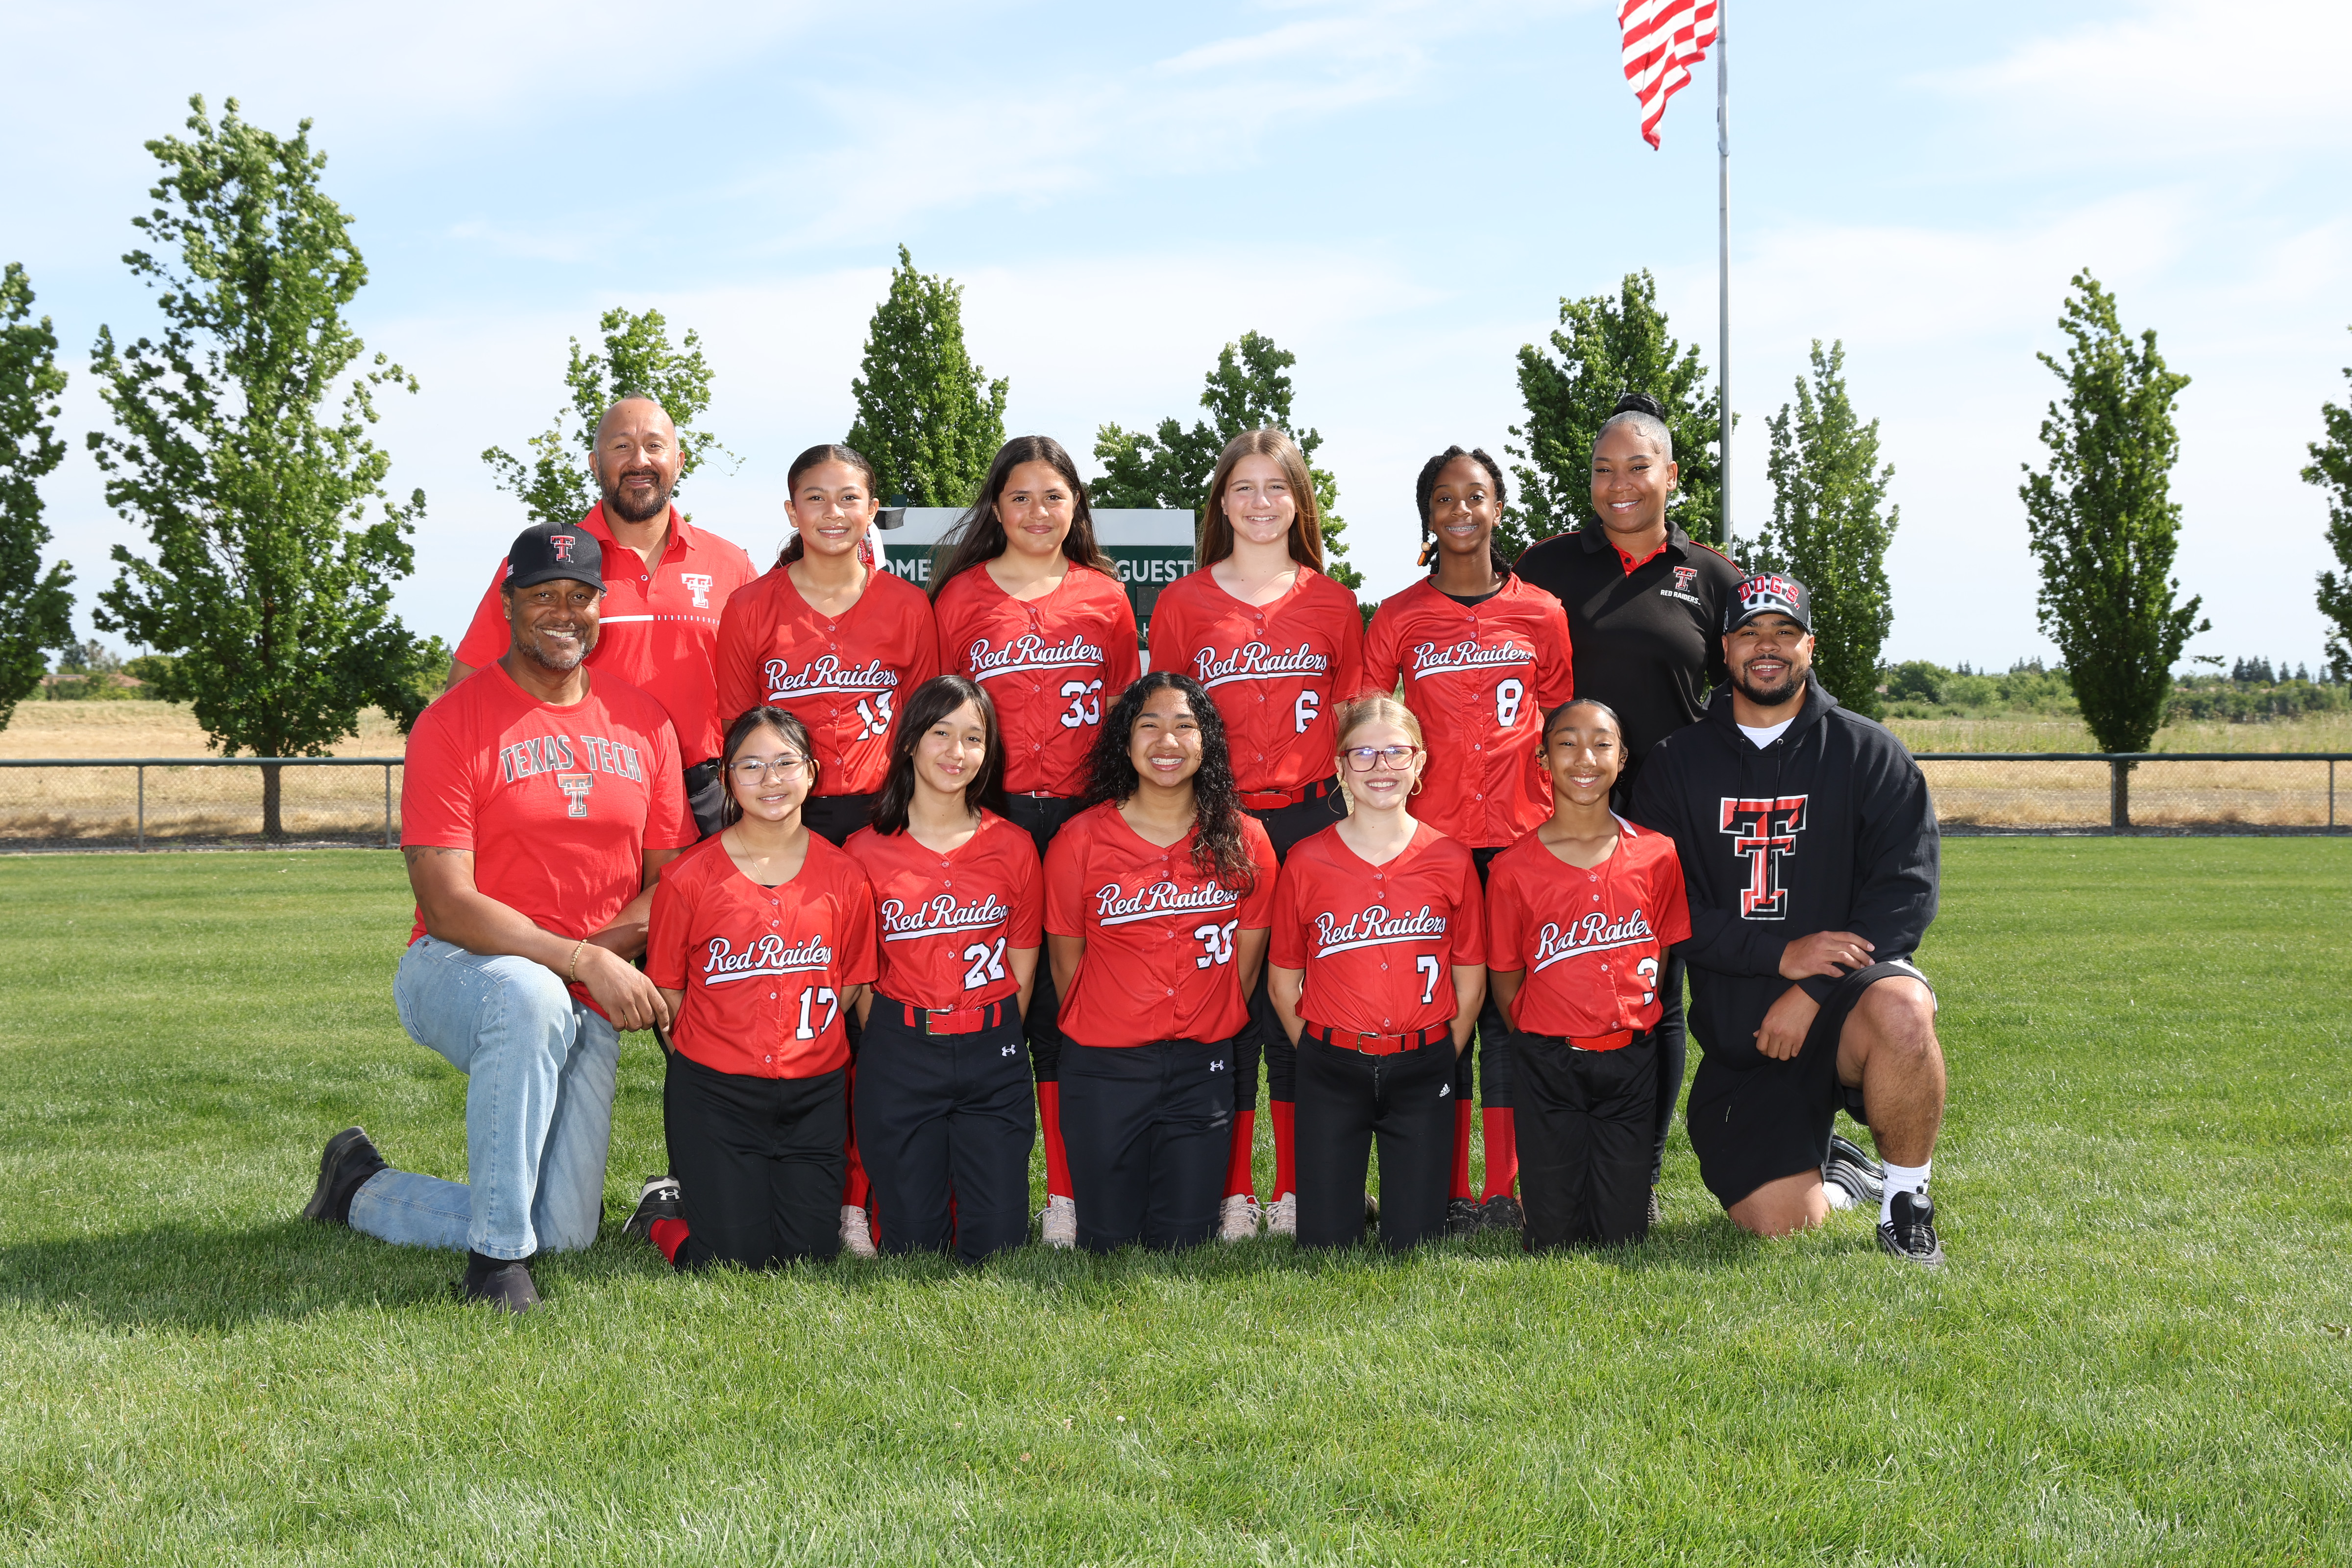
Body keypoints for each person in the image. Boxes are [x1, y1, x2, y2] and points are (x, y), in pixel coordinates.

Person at [303, 520, 695, 1312]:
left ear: (600, 608)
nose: (564, 612)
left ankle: (359, 1189)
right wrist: (579, 960)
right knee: (530, 992)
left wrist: (594, 956)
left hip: (580, 986)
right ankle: (495, 1265)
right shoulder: (454, 721)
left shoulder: (645, 723)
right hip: (460, 969)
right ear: (508, 606)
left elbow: (671, 883)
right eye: (543, 595)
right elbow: (446, 901)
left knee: (567, 1232)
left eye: (580, 596)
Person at [1629, 573, 1950, 1266]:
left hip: (1845, 1006)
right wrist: (1778, 957)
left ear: (1810, 645)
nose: (1766, 647)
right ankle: (1841, 1174)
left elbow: (1905, 893)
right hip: (1746, 1038)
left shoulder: (1869, 752)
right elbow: (1662, 907)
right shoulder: (1677, 764)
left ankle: (1906, 1206)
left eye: (1784, 632)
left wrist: (1811, 988)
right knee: (1780, 1224)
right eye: (1749, 633)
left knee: (1904, 1007)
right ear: (1724, 648)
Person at [1515, 392, 1748, 1226]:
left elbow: (1756, 687)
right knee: (1542, 984)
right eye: (1603, 470)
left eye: (1638, 467)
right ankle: (1534, 1172)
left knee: (1657, 994)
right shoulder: (1545, 566)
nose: (1619, 484)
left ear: (1671, 475)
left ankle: (1636, 1172)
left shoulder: (1712, 576)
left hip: (1668, 829)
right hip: (1560, 818)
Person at [1146, 429, 1364, 1242]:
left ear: (1301, 502)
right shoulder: (1184, 603)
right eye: (1244, 486)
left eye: (1278, 486)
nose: (1261, 502)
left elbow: (1354, 721)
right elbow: (1166, 725)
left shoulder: (1334, 602)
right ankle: (1234, 1191)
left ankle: (1299, 1187)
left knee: (1304, 1003)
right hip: (1220, 819)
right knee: (1226, 1002)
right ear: (1221, 502)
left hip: (1313, 817)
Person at [929, 436, 1139, 1248]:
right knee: (990, 998)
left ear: (1076, 506)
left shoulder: (1105, 597)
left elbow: (1122, 716)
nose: (1037, 512)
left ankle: (1064, 1195)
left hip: (1084, 816)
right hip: (994, 815)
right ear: (996, 507)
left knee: (1066, 1002)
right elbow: (941, 720)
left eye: (1054, 496)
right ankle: (964, 1185)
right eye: (1019, 497)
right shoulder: (961, 598)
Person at [1364, 445, 1572, 1238]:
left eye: (1475, 496)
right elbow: (1368, 722)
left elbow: (1560, 727)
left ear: (1497, 508)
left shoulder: (1542, 612)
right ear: (1428, 514)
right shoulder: (1398, 616)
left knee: (1514, 1016)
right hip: (1433, 846)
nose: (1461, 510)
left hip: (1522, 842)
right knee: (1443, 1010)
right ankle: (1450, 1190)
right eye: (1445, 498)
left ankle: (1507, 1190)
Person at [444, 397, 758, 837]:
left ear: (679, 461)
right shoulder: (543, 566)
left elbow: (764, 689)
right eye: (621, 446)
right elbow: (466, 689)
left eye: (654, 446)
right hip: (586, 785)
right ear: (595, 463)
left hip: (709, 792)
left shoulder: (732, 565)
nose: (639, 460)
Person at [635, 706, 879, 1270]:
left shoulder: (845, 875)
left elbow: (848, 983)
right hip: (717, 1094)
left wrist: (799, 1042)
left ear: (812, 772)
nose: (771, 779)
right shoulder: (688, 877)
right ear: (726, 778)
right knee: (730, 1260)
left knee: (808, 1257)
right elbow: (669, 991)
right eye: (751, 765)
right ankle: (660, 1218)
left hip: (813, 1093)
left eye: (786, 762)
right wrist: (717, 1056)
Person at [1042, 672, 1278, 1252]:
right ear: (1125, 741)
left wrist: (1201, 1017)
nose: (1166, 741)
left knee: (1184, 1242)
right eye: (1149, 725)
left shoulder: (1246, 840)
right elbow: (1068, 963)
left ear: (1207, 741)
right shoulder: (1079, 839)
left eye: (1184, 725)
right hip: (1105, 1067)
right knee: (1107, 1240)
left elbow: (1245, 967)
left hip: (1201, 1067)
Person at [1266, 696, 1486, 1252]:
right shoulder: (1305, 860)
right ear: (1340, 767)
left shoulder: (1451, 858)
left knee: (1414, 1244)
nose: (1380, 767)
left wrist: (1443, 1051)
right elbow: (1283, 979)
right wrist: (1318, 1050)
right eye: (1362, 754)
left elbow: (1470, 977)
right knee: (1325, 1247)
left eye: (1395, 752)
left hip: (1423, 1062)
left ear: (1419, 762)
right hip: (1331, 1064)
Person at [843, 676, 1041, 1264]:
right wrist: (898, 1035)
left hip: (992, 1052)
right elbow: (861, 974)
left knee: (999, 1247)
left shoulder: (1015, 846)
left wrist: (987, 1033)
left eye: (974, 738)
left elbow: (1022, 962)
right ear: (909, 741)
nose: (958, 752)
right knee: (913, 1247)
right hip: (900, 1052)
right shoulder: (862, 851)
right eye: (941, 733)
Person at [1486, 699, 1690, 1249]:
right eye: (1567, 743)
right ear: (1543, 760)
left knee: (1622, 1234)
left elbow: (1658, 958)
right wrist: (1541, 1035)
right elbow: (1506, 978)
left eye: (1602, 744)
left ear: (1622, 759)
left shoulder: (1658, 854)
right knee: (1552, 1236)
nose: (1585, 757)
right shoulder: (1511, 868)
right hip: (1548, 1060)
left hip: (1630, 1058)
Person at [714, 442, 942, 848]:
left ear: (871, 510)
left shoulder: (910, 606)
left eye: (849, 498)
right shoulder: (747, 607)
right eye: (816, 498)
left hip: (885, 810)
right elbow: (739, 726)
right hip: (782, 810)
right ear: (792, 511)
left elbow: (924, 722)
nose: (833, 512)